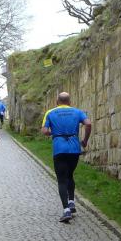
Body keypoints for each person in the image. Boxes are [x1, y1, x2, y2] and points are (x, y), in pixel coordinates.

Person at [40, 92, 92, 223]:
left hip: (59, 149)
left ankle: (66, 210)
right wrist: (85, 141)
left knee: (62, 180)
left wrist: (54, 133)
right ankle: (72, 202)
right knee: (70, 175)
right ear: (69, 102)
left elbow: (44, 131)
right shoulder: (77, 112)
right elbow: (88, 124)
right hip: (74, 149)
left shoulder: (50, 113)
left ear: (57, 102)